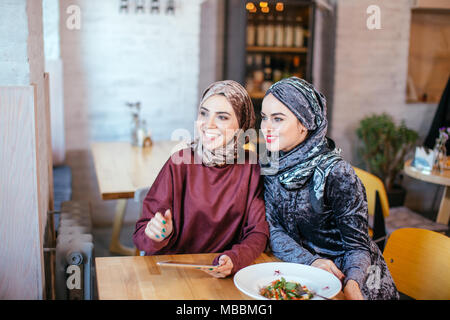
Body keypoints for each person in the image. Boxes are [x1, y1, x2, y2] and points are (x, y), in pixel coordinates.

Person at [260, 77, 399, 300]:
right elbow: (273, 229)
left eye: (277, 119)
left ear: (304, 123)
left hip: (353, 279)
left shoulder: (337, 173)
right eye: (264, 117)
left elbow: (358, 247)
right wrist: (311, 262)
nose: (266, 127)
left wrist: (352, 284)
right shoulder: (271, 166)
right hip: (304, 274)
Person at [133, 80, 269, 278]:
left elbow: (258, 232)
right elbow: (141, 234)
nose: (208, 124)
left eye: (222, 117)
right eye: (204, 113)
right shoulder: (179, 163)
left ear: (242, 125)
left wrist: (234, 258)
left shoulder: (251, 167)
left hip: (222, 274)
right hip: (173, 271)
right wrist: (157, 234)